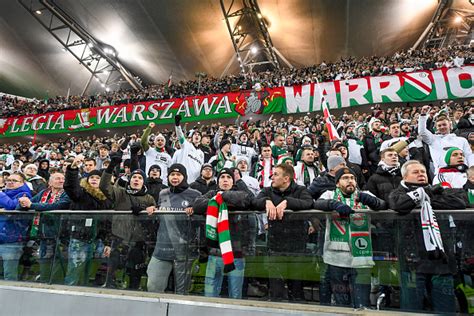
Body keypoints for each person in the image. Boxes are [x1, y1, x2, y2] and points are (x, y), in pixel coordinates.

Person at [388, 160, 466, 313]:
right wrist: (425, 194)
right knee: (413, 310)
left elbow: (460, 200)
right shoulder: (397, 192)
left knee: (445, 309)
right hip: (413, 262)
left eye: (423, 172)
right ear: (404, 176)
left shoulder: (438, 190)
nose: (421, 175)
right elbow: (398, 204)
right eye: (415, 172)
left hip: (441, 261)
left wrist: (426, 196)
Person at [314, 167, 387, 308]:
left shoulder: (364, 194)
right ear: (337, 183)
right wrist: (333, 204)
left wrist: (373, 202)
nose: (350, 181)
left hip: (361, 257)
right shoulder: (329, 194)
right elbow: (316, 204)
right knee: (341, 302)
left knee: (361, 303)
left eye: (352, 178)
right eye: (345, 178)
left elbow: (383, 204)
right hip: (336, 258)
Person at [252, 163, 314, 301]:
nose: (272, 177)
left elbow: (308, 203)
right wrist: (266, 201)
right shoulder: (268, 191)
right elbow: (254, 202)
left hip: (297, 248)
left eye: (275, 174)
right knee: (275, 290)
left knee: (296, 290)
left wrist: (287, 202)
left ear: (286, 178)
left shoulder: (301, 190)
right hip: (275, 247)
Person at [100, 150, 156, 288]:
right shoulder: (120, 192)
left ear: (144, 182)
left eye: (140, 178)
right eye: (134, 177)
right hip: (118, 240)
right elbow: (103, 186)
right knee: (111, 276)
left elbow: (154, 219)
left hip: (138, 243)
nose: (136, 179)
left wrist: (147, 211)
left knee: (134, 278)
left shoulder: (149, 198)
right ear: (129, 180)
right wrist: (111, 166)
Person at [193, 168, 252, 299]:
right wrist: (218, 201)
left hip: (236, 254)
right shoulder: (212, 193)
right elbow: (197, 205)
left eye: (228, 177)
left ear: (233, 181)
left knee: (235, 295)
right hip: (214, 254)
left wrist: (222, 197)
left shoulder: (238, 193)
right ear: (218, 181)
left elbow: (248, 199)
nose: (225, 180)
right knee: (209, 294)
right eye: (222, 177)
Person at [146, 163, 201, 294]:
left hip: (183, 250)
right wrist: (153, 209)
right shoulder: (163, 193)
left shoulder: (195, 194)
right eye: (172, 174)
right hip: (162, 248)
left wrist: (195, 212)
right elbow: (160, 217)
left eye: (178, 174)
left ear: (185, 176)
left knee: (182, 293)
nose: (175, 177)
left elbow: (200, 223)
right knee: (153, 287)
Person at [63, 154, 113, 286]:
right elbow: (70, 187)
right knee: (74, 272)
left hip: (98, 240)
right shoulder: (81, 192)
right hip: (79, 238)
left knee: (92, 271)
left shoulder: (107, 198)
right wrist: (73, 168)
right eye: (92, 177)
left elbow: (108, 222)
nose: (95, 180)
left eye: (98, 178)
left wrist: (107, 242)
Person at [17, 171, 70, 283]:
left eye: (63, 179)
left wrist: (31, 205)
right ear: (50, 182)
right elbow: (26, 204)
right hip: (42, 234)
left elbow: (56, 206)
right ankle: (44, 280)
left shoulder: (67, 193)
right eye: (58, 178)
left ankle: (55, 283)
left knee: (56, 262)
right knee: (43, 260)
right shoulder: (43, 193)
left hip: (59, 235)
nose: (61, 181)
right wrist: (23, 203)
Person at [418, 105, 474, 172]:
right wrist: (423, 114)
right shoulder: (432, 139)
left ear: (450, 125)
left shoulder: (462, 140)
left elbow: (469, 156)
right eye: (439, 125)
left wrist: (471, 171)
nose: (442, 127)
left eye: (444, 124)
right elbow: (422, 131)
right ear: (436, 128)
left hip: (462, 173)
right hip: (442, 174)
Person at [0, 172, 32, 280]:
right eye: (8, 180)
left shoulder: (24, 194)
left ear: (22, 183)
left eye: (14, 181)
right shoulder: (5, 193)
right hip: (3, 237)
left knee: (9, 274)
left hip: (12, 239)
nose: (10, 182)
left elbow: (11, 206)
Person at [173, 115, 204, 183]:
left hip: (195, 182)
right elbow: (180, 136)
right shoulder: (186, 145)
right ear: (191, 138)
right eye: (195, 134)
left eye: (199, 135)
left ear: (201, 139)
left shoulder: (201, 153)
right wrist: (177, 124)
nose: (197, 136)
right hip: (183, 180)